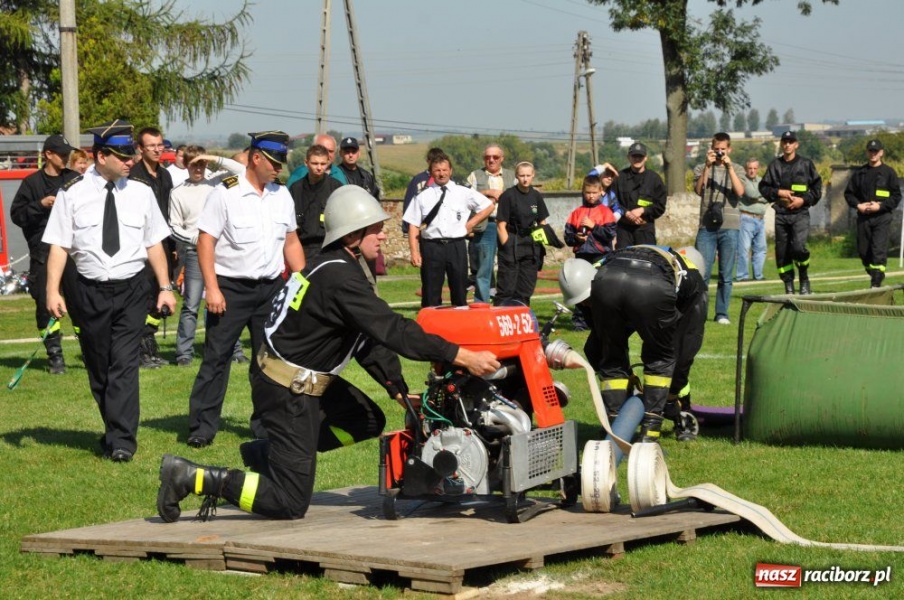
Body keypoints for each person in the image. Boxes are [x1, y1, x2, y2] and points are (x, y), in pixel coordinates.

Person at [156, 186, 501, 522]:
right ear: (352, 236)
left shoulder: (332, 266)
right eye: (376, 230)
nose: (383, 236)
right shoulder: (339, 277)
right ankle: (193, 477)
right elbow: (393, 329)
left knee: (366, 419)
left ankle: (271, 455)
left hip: (292, 379)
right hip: (287, 390)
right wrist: (460, 355)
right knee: (289, 502)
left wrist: (396, 388)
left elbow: (366, 338)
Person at [42, 120, 176, 462]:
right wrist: (52, 291)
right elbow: (59, 246)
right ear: (100, 156)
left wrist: (164, 287)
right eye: (121, 155)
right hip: (88, 291)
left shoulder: (142, 193)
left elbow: (154, 244)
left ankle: (122, 442)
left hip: (132, 288)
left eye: (131, 154)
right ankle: (113, 428)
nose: (130, 160)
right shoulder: (72, 193)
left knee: (124, 365)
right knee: (99, 366)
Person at [185, 131, 306, 449]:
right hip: (231, 289)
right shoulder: (225, 193)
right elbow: (206, 241)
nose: (279, 168)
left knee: (268, 360)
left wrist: (302, 282)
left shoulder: (282, 196)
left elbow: (291, 241)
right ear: (256, 158)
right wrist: (212, 289)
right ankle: (202, 426)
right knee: (216, 358)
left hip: (271, 289)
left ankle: (266, 423)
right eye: (274, 162)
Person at [557, 245, 707, 443]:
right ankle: (638, 432)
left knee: (622, 356)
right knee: (656, 356)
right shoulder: (595, 275)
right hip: (653, 283)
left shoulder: (600, 272)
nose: (586, 306)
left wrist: (671, 395)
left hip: (626, 283)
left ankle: (663, 410)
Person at [10, 134, 83, 374]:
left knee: (81, 304)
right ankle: (55, 356)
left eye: (67, 154)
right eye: (61, 154)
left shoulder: (75, 180)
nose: (66, 158)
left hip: (73, 254)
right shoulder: (31, 183)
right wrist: (40, 205)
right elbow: (17, 216)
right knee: (45, 305)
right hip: (43, 253)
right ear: (48, 155)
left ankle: (90, 351)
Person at [168, 146, 247, 366]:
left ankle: (233, 349)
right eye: (194, 164)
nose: (198, 168)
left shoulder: (216, 182)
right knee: (191, 305)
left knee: (225, 301)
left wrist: (213, 157)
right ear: (186, 165)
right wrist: (196, 240)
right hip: (194, 253)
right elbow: (174, 226)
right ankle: (184, 353)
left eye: (202, 164)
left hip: (221, 252)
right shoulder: (178, 192)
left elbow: (241, 170)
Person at [403, 154, 494, 307]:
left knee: (459, 288)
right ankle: (430, 326)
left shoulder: (463, 192)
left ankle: (459, 324)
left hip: (456, 245)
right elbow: (413, 225)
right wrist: (414, 251)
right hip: (432, 246)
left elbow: (488, 206)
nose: (441, 173)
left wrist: (470, 224)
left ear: (450, 171)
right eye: (437, 170)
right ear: (432, 172)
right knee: (431, 290)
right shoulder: (422, 196)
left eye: (445, 170)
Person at [129, 127, 176, 368]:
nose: (158, 150)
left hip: (163, 244)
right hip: (141, 245)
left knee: (160, 297)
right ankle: (140, 351)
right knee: (143, 298)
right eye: (152, 146)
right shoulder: (133, 176)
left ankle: (149, 346)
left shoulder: (165, 176)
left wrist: (174, 245)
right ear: (140, 149)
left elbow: (168, 213)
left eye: (160, 145)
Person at [759, 131, 823, 295]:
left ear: (796, 144)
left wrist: (803, 200)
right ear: (781, 144)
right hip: (781, 214)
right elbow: (763, 187)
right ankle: (788, 284)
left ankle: (804, 278)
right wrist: (779, 192)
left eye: (791, 141)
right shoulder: (775, 165)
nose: (787, 144)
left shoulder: (806, 164)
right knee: (782, 253)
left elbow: (816, 189)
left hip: (800, 214)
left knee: (798, 247)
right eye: (785, 141)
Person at [693, 132, 745, 325]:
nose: (720, 153)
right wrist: (707, 166)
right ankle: (700, 312)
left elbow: (740, 191)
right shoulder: (701, 167)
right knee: (702, 273)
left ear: (729, 149)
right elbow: (699, 190)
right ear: (711, 149)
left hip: (730, 226)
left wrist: (729, 166)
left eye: (723, 149)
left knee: (726, 274)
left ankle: (722, 313)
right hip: (706, 226)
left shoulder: (737, 168)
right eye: (717, 150)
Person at [844, 139, 902, 288]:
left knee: (878, 250)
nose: (873, 154)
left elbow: (896, 196)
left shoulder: (889, 173)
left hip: (882, 217)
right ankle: (876, 274)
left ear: (881, 153)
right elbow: (849, 194)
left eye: (876, 151)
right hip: (864, 218)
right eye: (870, 151)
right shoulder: (859, 173)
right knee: (864, 252)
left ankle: (875, 284)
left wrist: (880, 206)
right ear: (867, 153)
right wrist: (858, 205)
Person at [466, 144, 515, 303]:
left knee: (507, 265)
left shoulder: (512, 176)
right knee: (484, 267)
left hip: (507, 226)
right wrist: (488, 192)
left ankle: (505, 300)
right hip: (485, 226)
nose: (491, 160)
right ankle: (481, 302)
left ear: (502, 159)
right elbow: (465, 197)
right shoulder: (474, 175)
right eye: (488, 157)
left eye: (495, 157)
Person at [495, 162, 549, 306]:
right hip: (512, 242)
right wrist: (506, 245)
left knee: (526, 287)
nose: (525, 179)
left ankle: (523, 317)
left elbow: (542, 221)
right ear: (516, 176)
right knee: (507, 287)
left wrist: (542, 244)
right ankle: (501, 319)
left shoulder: (536, 196)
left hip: (530, 244)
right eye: (522, 175)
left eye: (528, 175)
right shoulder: (508, 196)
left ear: (533, 176)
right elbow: (501, 225)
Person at [288, 144, 344, 262]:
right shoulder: (295, 189)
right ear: (306, 162)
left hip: (330, 250)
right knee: (301, 281)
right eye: (315, 163)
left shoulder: (336, 188)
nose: (319, 168)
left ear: (328, 163)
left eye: (323, 164)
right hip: (301, 250)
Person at [612, 142, 667, 247]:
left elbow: (660, 206)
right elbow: (612, 202)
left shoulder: (654, 179)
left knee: (646, 260)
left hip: (645, 230)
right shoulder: (619, 178)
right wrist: (626, 213)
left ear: (646, 158)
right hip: (624, 230)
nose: (637, 159)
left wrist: (643, 210)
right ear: (629, 157)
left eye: (640, 156)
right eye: (634, 156)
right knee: (623, 260)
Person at [564, 174, 618, 264]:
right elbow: (568, 237)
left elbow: (610, 235)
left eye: (594, 192)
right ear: (583, 192)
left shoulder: (606, 212)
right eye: (588, 193)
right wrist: (576, 237)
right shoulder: (576, 213)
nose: (591, 196)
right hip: (581, 255)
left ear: (601, 191)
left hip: (601, 256)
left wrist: (594, 226)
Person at [736, 158, 768, 282]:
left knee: (761, 248)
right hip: (747, 218)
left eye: (755, 168)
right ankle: (742, 276)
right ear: (746, 169)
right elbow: (751, 194)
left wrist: (759, 197)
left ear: (758, 169)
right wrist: (761, 196)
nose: (752, 171)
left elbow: (769, 197)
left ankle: (758, 275)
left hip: (760, 220)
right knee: (744, 249)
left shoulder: (761, 181)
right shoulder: (743, 180)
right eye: (750, 168)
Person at [401, 147, 443, 236]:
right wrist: (407, 227)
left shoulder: (447, 180)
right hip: (421, 226)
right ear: (428, 161)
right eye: (434, 161)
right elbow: (409, 202)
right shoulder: (418, 180)